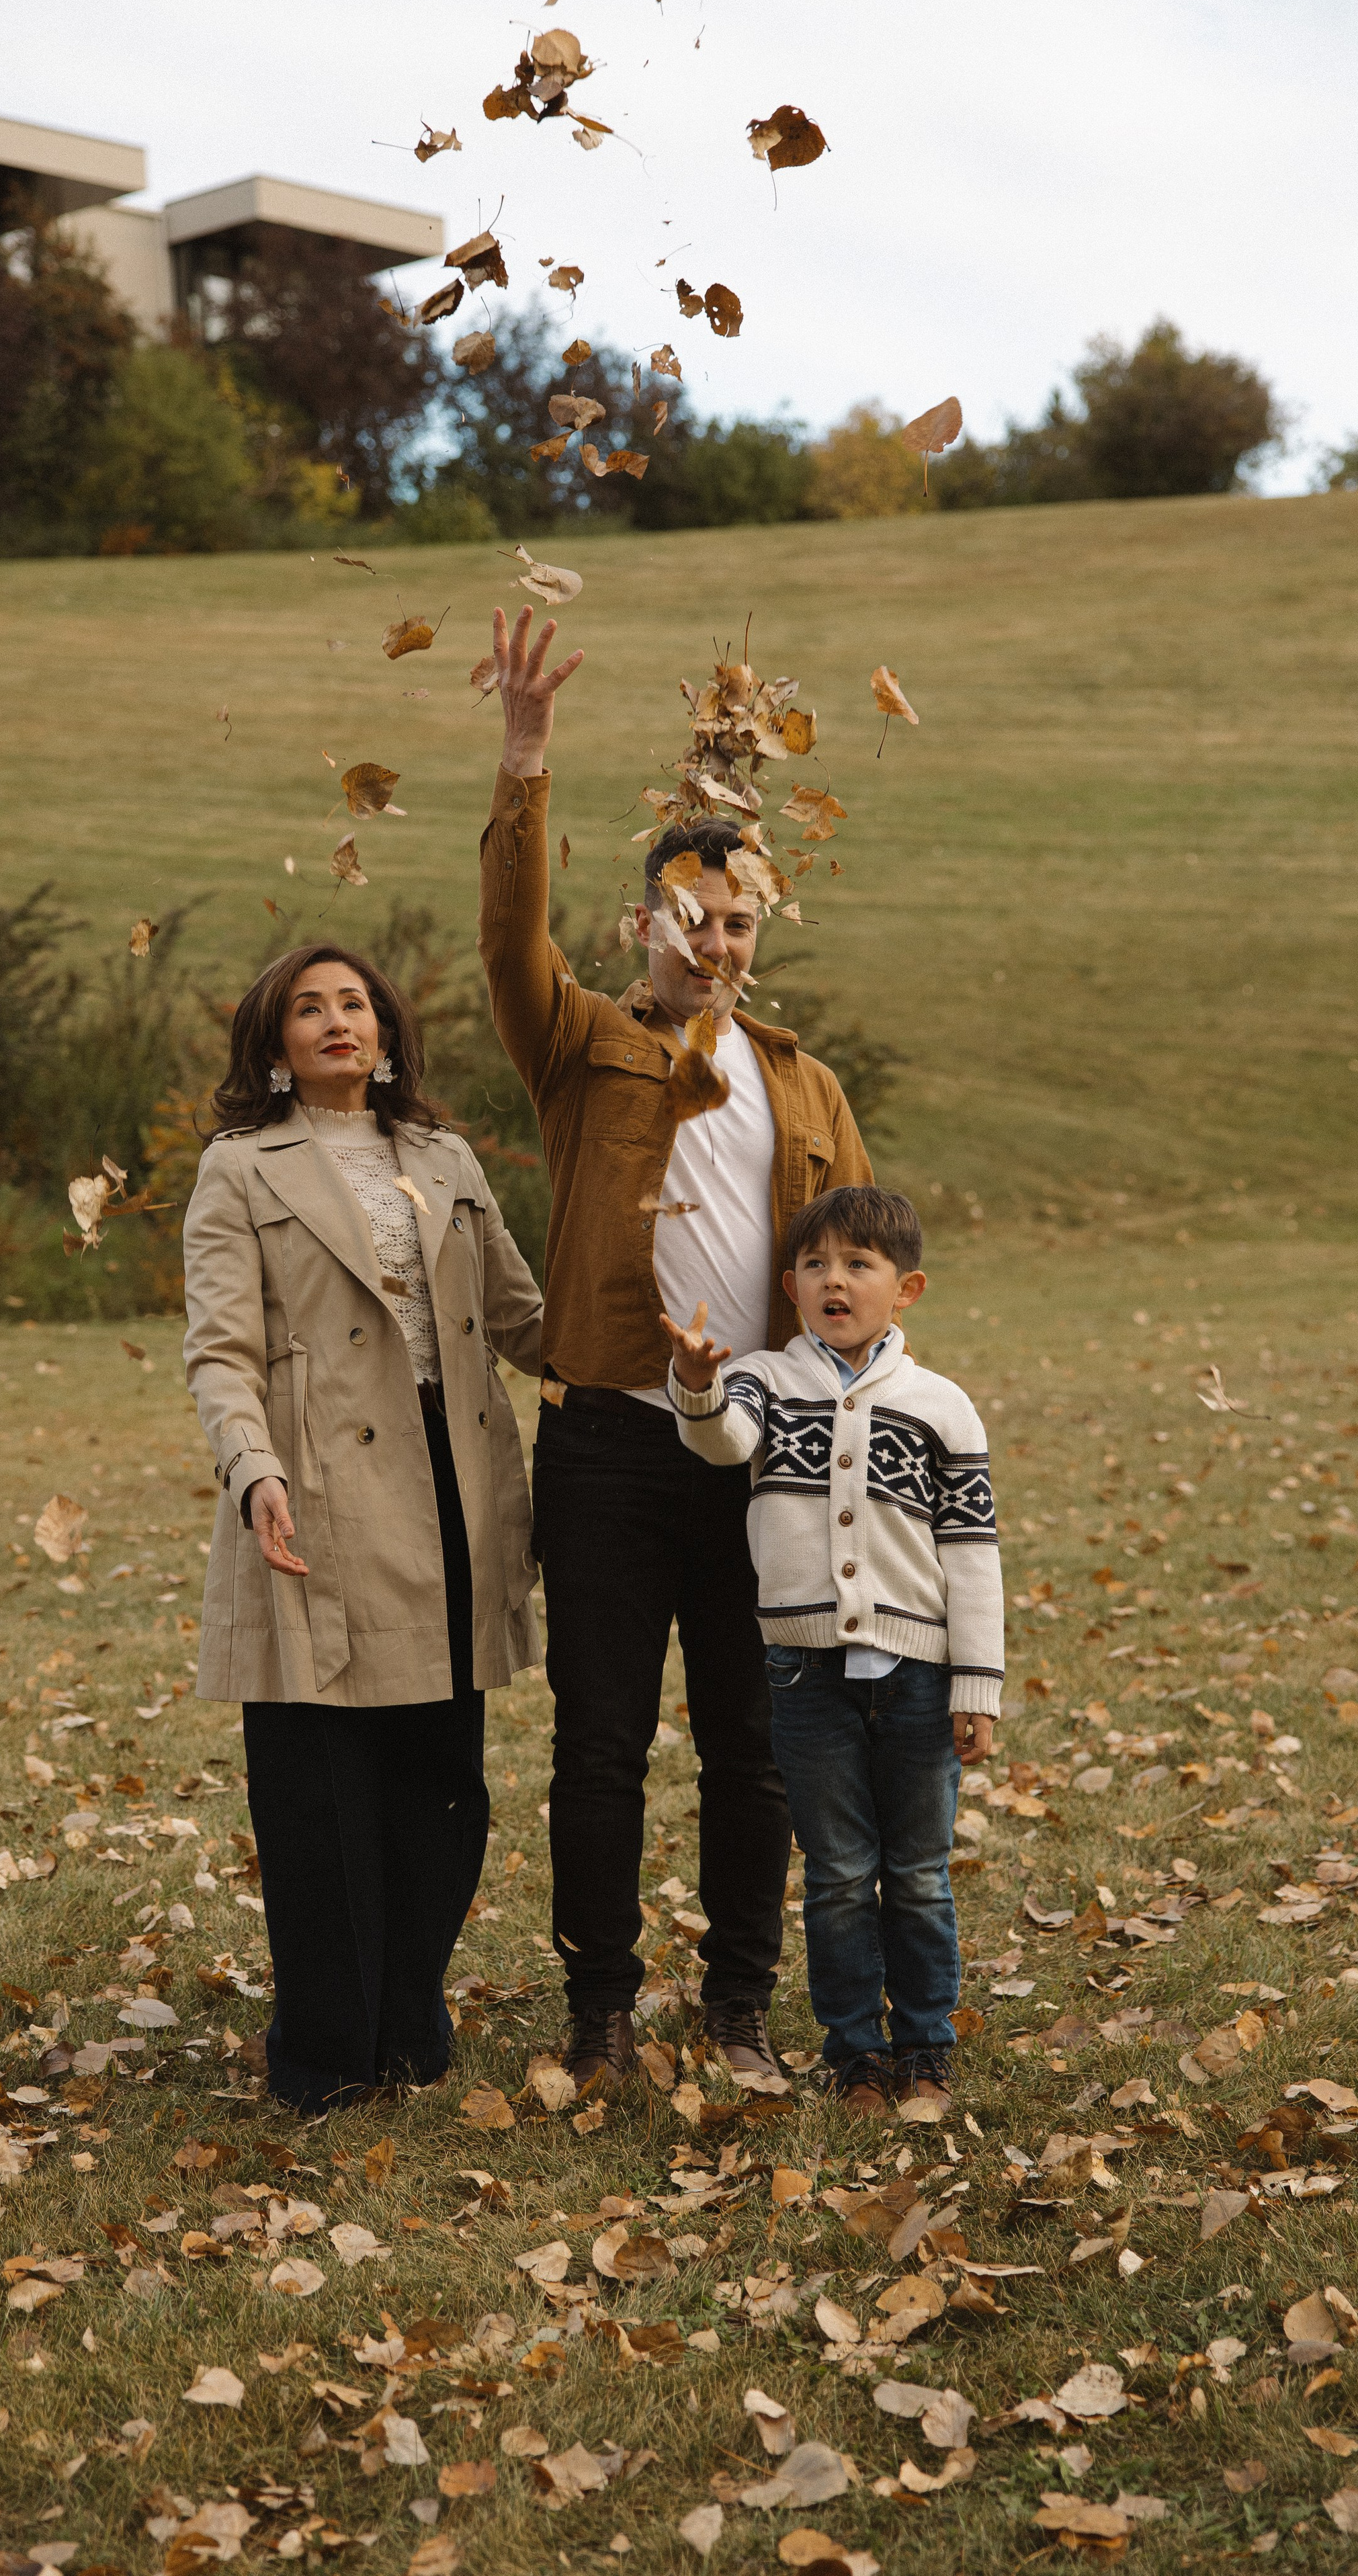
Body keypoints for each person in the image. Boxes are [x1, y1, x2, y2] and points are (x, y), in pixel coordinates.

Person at [478, 605, 874, 2092]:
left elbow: (857, 1276)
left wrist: (848, 1421)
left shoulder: (803, 1081)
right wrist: (524, 763)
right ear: (643, 922)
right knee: (598, 1747)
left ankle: (738, 2011)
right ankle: (599, 2019)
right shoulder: (576, 1043)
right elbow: (504, 932)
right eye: (692, 917)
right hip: (604, 1447)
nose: (716, 940)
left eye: (738, 923)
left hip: (760, 1449)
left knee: (751, 1748)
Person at [182, 940, 543, 2112]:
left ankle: (410, 2023)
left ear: (386, 1030)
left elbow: (524, 1317)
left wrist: (663, 1341)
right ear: (275, 1042)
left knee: (444, 1786)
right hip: (317, 1491)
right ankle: (327, 2054)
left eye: (356, 1004)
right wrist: (252, 1469)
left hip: (455, 1487)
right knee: (322, 1793)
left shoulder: (447, 1158)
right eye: (309, 1008)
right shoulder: (240, 1169)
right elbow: (221, 1351)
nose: (339, 1021)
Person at [661, 1185, 1004, 2112]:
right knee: (842, 1874)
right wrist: (695, 1378)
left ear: (908, 1288)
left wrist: (978, 1682)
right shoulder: (767, 1381)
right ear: (791, 1284)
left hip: (923, 1676)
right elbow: (721, 1441)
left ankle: (926, 2046)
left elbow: (971, 1555)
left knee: (921, 1876)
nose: (834, 1281)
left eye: (859, 1265)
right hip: (806, 1672)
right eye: (815, 1266)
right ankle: (855, 2053)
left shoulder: (942, 1408)